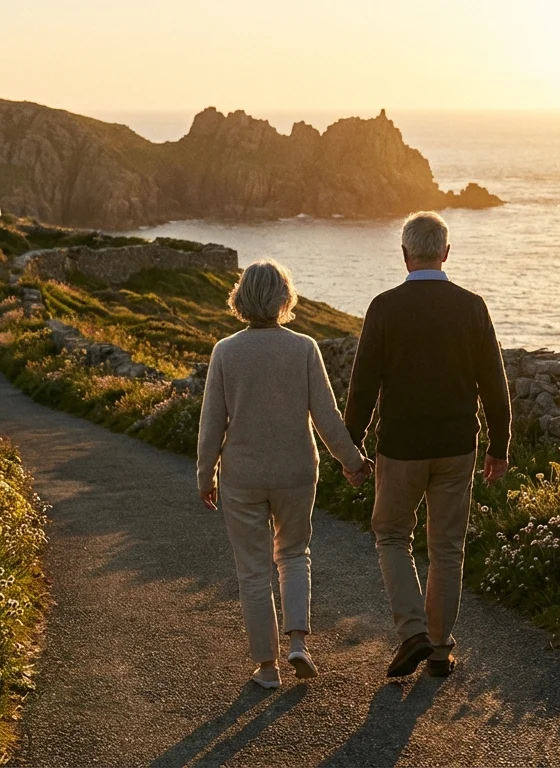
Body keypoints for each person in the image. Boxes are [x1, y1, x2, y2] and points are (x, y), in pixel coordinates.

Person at [344, 211, 511, 679]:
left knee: (393, 535)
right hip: (458, 446)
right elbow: (495, 386)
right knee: (447, 548)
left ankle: (413, 631)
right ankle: (439, 651)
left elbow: (362, 387)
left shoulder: (384, 307)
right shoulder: (472, 306)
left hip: (399, 447)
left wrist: (350, 449)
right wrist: (500, 447)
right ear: (445, 252)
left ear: (404, 255)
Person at [197, 259, 373, 689]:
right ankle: (298, 643)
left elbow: (211, 424)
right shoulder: (304, 348)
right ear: (283, 299)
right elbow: (327, 417)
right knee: (293, 555)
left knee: (253, 570)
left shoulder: (225, 351)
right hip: (296, 470)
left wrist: (206, 476)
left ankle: (267, 667)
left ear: (241, 298)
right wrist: (352, 462)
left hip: (243, 475)